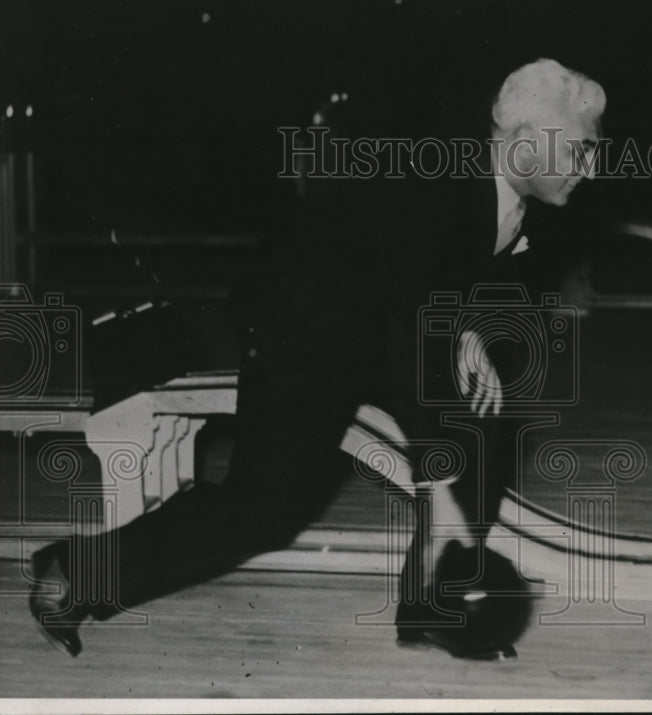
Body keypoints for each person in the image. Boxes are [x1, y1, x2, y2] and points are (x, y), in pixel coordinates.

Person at [29, 58, 606, 661]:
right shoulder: (437, 191)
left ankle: (435, 605)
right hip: (299, 331)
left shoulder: (500, 194)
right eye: (581, 151)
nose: (589, 169)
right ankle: (73, 572)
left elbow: (426, 294)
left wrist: (469, 336)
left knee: (486, 425)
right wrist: (436, 474)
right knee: (267, 509)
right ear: (523, 141)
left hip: (374, 326)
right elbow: (412, 330)